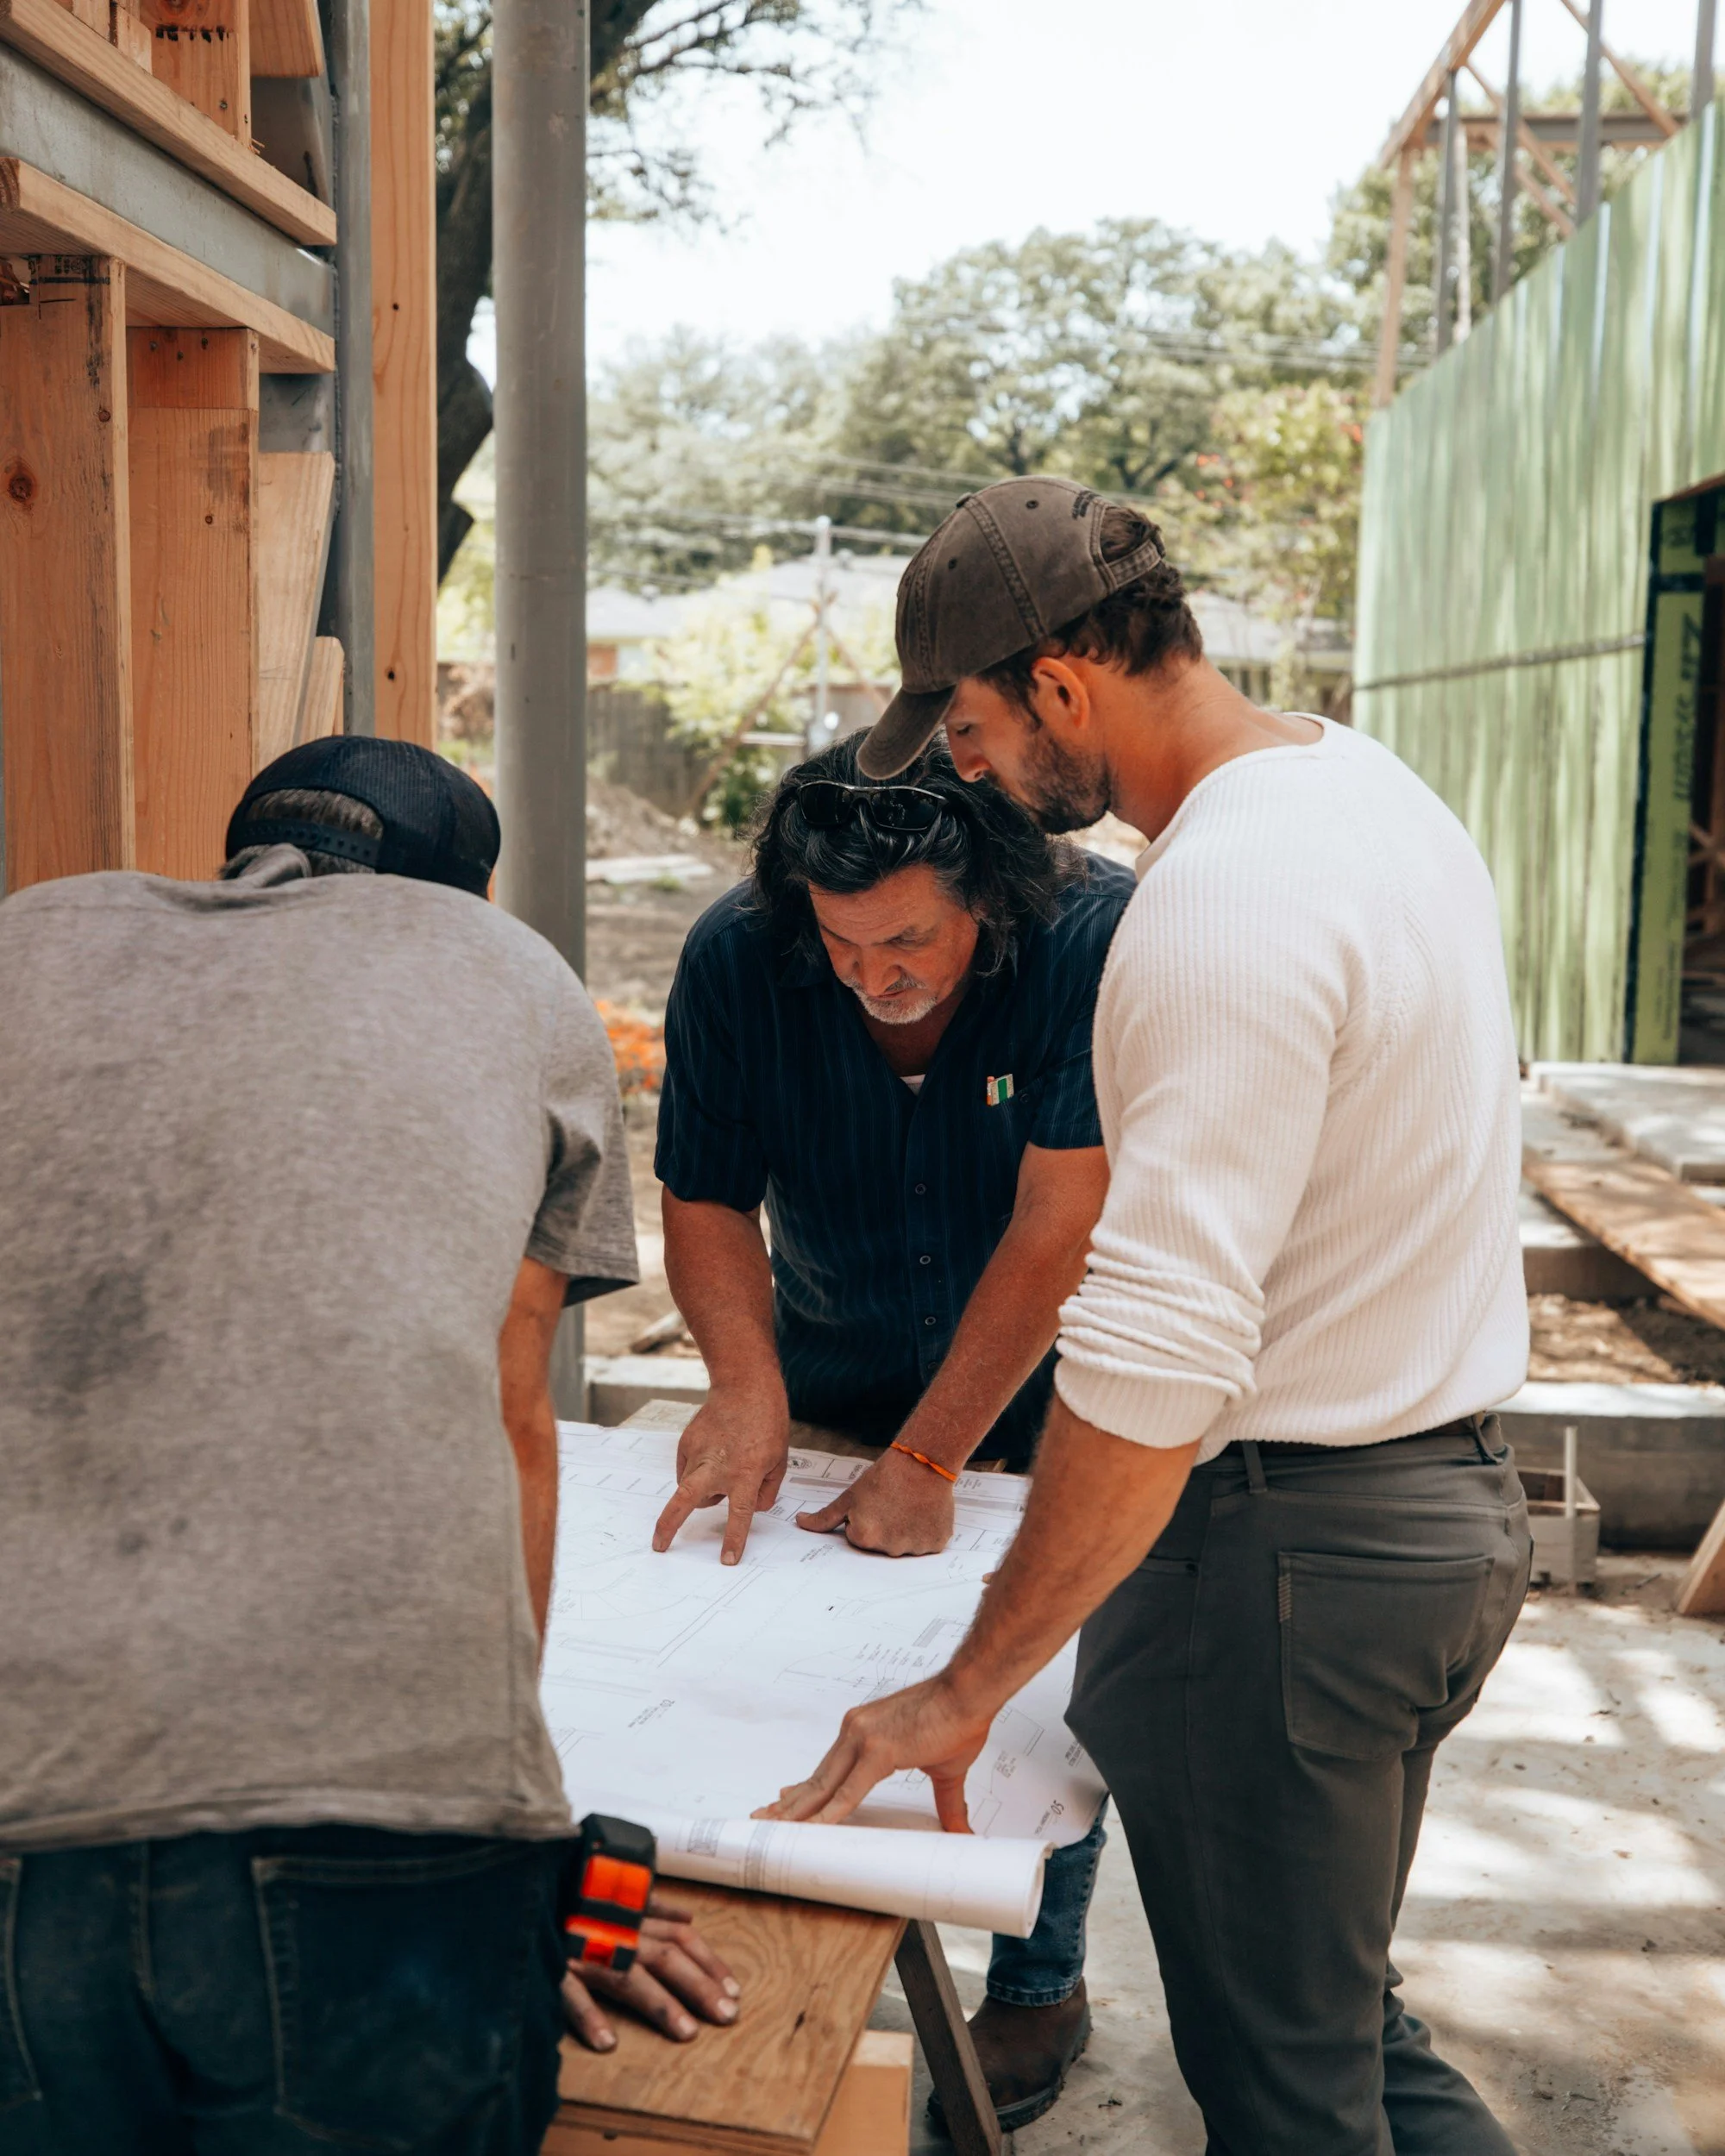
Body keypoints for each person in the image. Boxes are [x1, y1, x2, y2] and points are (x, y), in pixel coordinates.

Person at [764, 479, 1534, 2154]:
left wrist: (971, 1676)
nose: (962, 769)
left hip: (1285, 1567)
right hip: (1441, 1510)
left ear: (1057, 686)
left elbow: (1155, 1349)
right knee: (1344, 2033)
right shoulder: (1365, 790)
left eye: (963, 724)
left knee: (1289, 2093)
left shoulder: (1213, 906)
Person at [0, 738, 737, 2156]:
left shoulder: (33, 935)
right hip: (371, 1821)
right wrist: (528, 1847)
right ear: (457, 896)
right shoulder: (504, 973)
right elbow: (512, 1410)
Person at [650, 733, 1133, 2129]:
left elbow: (1065, 1223)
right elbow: (703, 1196)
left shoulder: (1089, 940)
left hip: (1056, 1389)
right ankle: (821, 1918)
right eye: (843, 943)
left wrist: (931, 1460)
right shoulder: (739, 956)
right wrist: (747, 1385)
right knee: (813, 1653)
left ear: (990, 893)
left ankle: (1037, 1979)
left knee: (1039, 1679)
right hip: (834, 1358)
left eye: (909, 938)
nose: (876, 974)